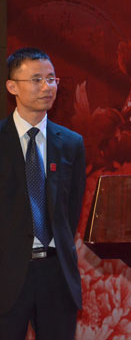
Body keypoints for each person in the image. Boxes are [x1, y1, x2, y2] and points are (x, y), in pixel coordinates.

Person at [0, 48, 86, 340]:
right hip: (7, 273)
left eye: (52, 79)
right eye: (36, 80)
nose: (47, 87)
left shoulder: (71, 143)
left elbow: (70, 211)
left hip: (56, 274)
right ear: (12, 86)